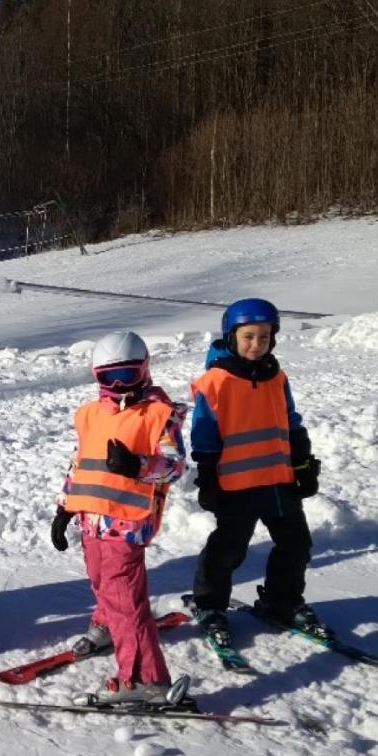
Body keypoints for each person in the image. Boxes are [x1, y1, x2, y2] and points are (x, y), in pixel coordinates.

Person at [52, 332, 190, 706]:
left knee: (125, 600)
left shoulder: (158, 415)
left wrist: (138, 465)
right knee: (101, 581)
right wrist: (64, 507)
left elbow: (175, 467)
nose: (117, 386)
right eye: (107, 378)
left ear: (144, 370)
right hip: (91, 519)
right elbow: (80, 464)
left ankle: (146, 679)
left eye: (126, 376)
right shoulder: (91, 414)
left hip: (127, 522)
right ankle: (106, 626)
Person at [188, 298, 326, 648]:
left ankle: (283, 600)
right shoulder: (215, 382)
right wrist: (207, 476)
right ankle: (210, 606)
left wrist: (303, 461)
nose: (257, 344)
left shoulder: (276, 377)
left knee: (296, 545)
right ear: (232, 336)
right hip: (236, 487)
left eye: (264, 337)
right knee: (228, 551)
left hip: (278, 481)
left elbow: (290, 421)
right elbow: (204, 435)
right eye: (249, 336)